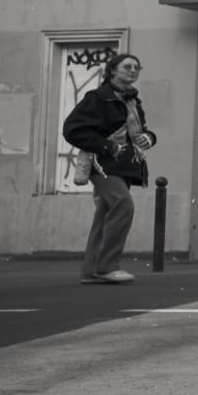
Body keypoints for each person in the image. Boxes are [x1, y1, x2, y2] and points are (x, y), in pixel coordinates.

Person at [62, 51, 156, 285]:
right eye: (127, 66)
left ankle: (90, 271)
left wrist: (149, 137)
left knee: (105, 214)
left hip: (125, 165)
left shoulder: (133, 100)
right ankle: (107, 267)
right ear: (113, 70)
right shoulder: (98, 97)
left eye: (136, 67)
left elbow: (141, 130)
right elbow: (72, 129)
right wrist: (107, 146)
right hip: (102, 163)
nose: (133, 70)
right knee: (123, 204)